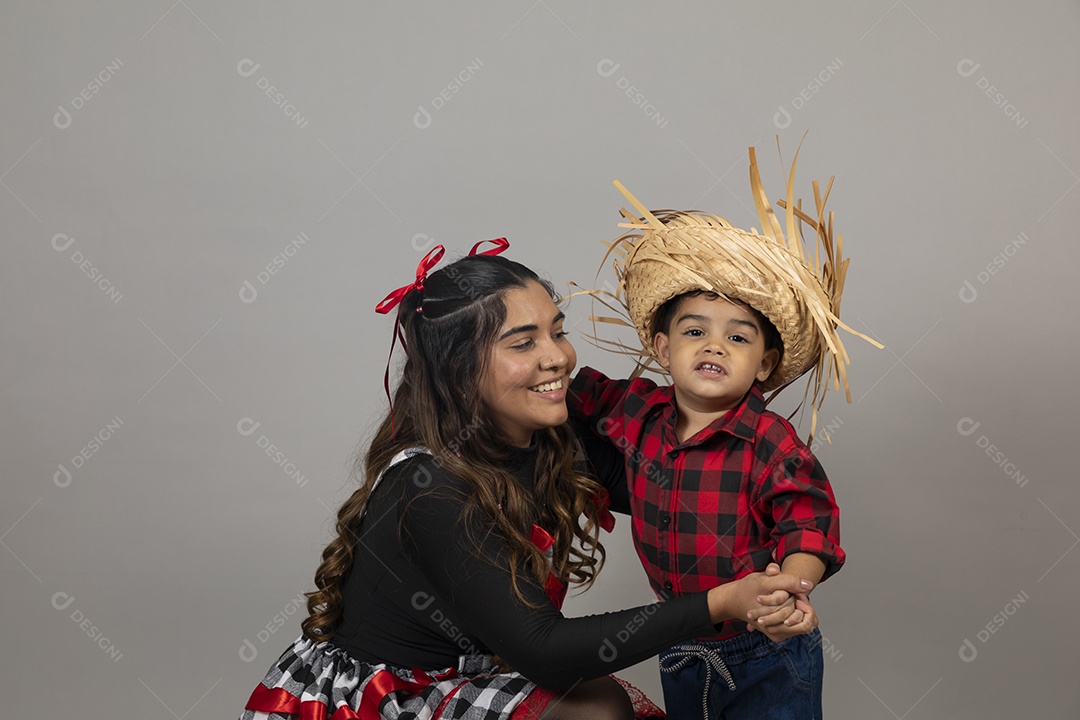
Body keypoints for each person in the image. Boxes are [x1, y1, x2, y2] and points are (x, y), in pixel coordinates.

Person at [238, 238, 819, 720]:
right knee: (596, 709)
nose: (559, 357)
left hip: (476, 668)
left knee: (601, 704)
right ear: (459, 370)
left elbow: (683, 483)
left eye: (557, 331)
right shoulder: (432, 488)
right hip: (391, 697)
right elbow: (543, 650)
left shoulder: (550, 438)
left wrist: (721, 414)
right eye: (524, 342)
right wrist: (723, 600)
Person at [567, 148, 882, 719]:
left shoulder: (769, 442)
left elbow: (809, 525)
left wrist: (787, 591)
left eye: (739, 338)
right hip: (682, 637)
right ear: (662, 349)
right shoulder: (637, 410)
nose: (714, 345)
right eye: (694, 331)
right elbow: (572, 389)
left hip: (765, 646)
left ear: (764, 364)